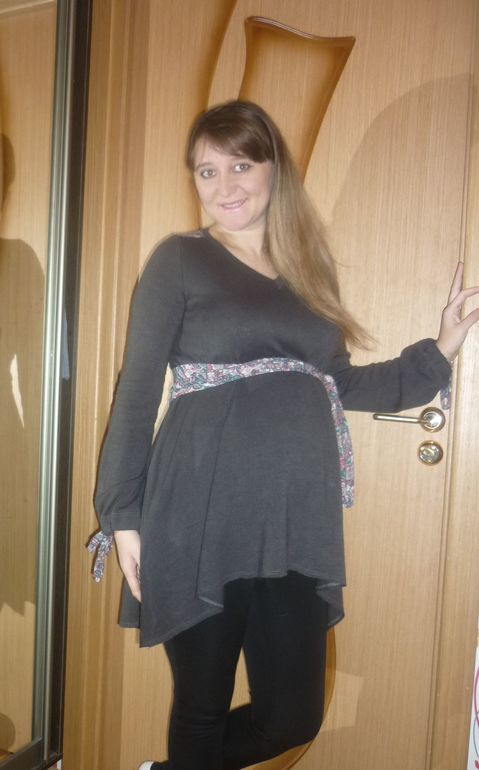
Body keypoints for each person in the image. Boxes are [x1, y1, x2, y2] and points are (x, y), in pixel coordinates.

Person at [90, 100, 479, 770]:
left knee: (293, 716)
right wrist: (122, 515)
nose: (224, 185)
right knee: (201, 708)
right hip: (199, 512)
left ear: (275, 169)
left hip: (296, 520)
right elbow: (136, 390)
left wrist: (439, 349)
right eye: (206, 171)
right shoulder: (179, 260)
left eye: (240, 165)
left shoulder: (309, 270)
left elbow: (342, 383)